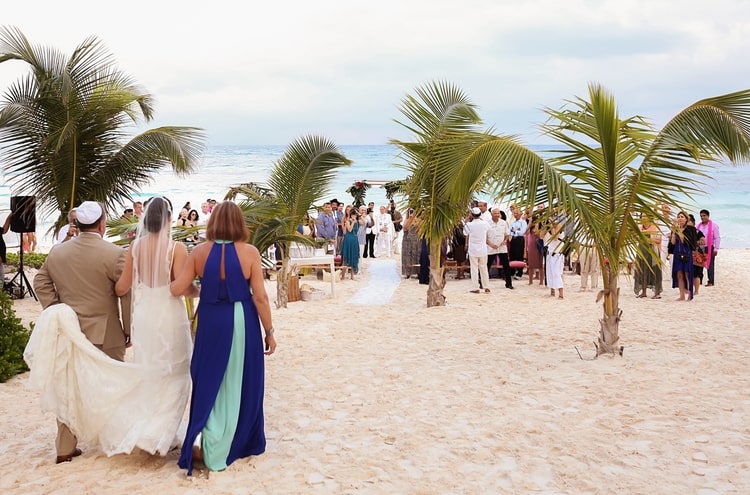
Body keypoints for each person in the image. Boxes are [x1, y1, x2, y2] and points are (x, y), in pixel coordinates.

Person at [171, 201, 276, 475]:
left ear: (213, 222)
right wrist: (269, 331)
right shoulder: (250, 252)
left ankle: (211, 439)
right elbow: (261, 297)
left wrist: (202, 291)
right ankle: (236, 442)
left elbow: (179, 288)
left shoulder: (199, 252)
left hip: (209, 320)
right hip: (241, 319)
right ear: (239, 223)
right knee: (240, 378)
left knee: (209, 379)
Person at [31, 201, 131, 464]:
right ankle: (113, 440)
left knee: (67, 387)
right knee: (113, 385)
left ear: (77, 224)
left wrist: (55, 308)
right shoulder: (114, 253)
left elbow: (40, 281)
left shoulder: (57, 252)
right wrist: (129, 330)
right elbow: (126, 294)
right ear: (101, 224)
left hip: (68, 329)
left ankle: (65, 447)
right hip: (105, 331)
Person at [111, 196, 194, 455]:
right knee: (177, 370)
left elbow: (121, 286)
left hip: (146, 313)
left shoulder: (135, 247)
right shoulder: (176, 248)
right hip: (169, 312)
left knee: (151, 369)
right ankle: (163, 433)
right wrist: (203, 290)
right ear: (169, 219)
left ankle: (150, 429)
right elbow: (180, 288)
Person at [670, 210, 698, 301]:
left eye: (682, 217)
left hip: (686, 252)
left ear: (686, 219)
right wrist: (674, 231)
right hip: (677, 252)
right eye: (679, 217)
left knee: (687, 273)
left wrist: (679, 230)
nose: (680, 219)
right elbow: (673, 242)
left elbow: (683, 240)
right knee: (679, 274)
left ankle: (690, 293)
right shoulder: (675, 229)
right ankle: (682, 295)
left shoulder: (690, 229)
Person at [633, 214, 662, 299]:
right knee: (642, 270)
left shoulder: (655, 227)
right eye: (642, 216)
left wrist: (647, 239)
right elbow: (635, 238)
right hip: (642, 251)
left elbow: (658, 240)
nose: (644, 218)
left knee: (655, 270)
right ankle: (643, 291)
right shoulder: (639, 227)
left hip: (653, 251)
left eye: (646, 216)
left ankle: (657, 292)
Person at [464, 207, 491, 293]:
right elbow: (489, 229)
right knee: (484, 268)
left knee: (474, 269)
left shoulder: (469, 225)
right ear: (480, 214)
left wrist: (466, 221)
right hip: (483, 249)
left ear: (472, 215)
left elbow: (465, 233)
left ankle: (476, 287)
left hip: (473, 249)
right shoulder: (485, 224)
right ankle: (486, 286)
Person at [486, 207, 513, 289]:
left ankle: (509, 283)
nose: (497, 215)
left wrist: (504, 241)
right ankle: (482, 282)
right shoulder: (487, 223)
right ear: (491, 214)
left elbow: (507, 234)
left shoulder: (504, 223)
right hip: (491, 247)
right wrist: (491, 244)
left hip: (502, 247)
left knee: (506, 265)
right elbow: (485, 237)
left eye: (498, 213)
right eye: (495, 213)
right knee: (487, 265)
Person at [696, 209, 720, 287]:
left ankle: (711, 281)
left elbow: (717, 238)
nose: (702, 217)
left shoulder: (714, 226)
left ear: (708, 216)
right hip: (700, 247)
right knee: (699, 264)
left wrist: (716, 249)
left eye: (704, 216)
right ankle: (699, 280)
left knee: (710, 265)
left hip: (709, 247)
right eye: (701, 216)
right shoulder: (698, 226)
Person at [544, 222, 566, 299]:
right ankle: (552, 291)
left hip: (557, 254)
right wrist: (544, 225)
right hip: (550, 253)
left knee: (557, 273)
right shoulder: (548, 228)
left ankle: (561, 294)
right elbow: (540, 236)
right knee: (550, 273)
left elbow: (555, 237)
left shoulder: (559, 226)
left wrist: (551, 226)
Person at [340, 207, 361, 279]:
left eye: (355, 215)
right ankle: (343, 276)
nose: (354, 216)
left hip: (354, 240)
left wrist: (358, 214)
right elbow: (349, 229)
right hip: (348, 240)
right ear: (350, 215)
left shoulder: (357, 221)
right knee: (345, 258)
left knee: (353, 257)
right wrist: (353, 222)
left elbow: (364, 222)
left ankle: (352, 276)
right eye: (352, 215)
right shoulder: (348, 221)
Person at [508, 207, 528, 279]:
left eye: (517, 213)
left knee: (519, 255)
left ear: (520, 214)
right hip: (513, 239)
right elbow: (509, 231)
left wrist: (515, 231)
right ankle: (512, 272)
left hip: (519, 239)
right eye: (514, 213)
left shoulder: (523, 222)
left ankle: (519, 273)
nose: (515, 215)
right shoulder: (513, 222)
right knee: (512, 255)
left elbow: (522, 232)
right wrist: (515, 230)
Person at [401, 208, 420, 279]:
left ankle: (417, 272)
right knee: (407, 256)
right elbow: (405, 228)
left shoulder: (419, 220)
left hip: (416, 240)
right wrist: (410, 218)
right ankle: (407, 272)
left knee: (416, 255)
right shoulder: (407, 219)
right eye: (410, 211)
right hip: (407, 239)